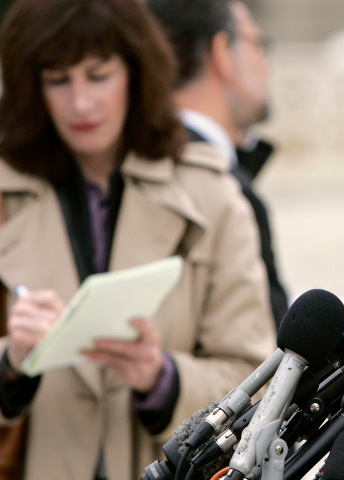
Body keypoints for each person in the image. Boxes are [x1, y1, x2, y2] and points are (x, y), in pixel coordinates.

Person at [0, 0, 276, 479]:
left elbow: (256, 379)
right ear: (32, 85)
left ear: (136, 71)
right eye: (58, 80)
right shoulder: (5, 196)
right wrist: (11, 362)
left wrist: (163, 378)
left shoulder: (212, 193)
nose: (80, 102)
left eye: (99, 75)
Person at [147, 0, 289, 328]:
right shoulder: (220, 186)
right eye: (259, 45)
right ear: (223, 52)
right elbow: (272, 358)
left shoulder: (131, 164)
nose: (267, 65)